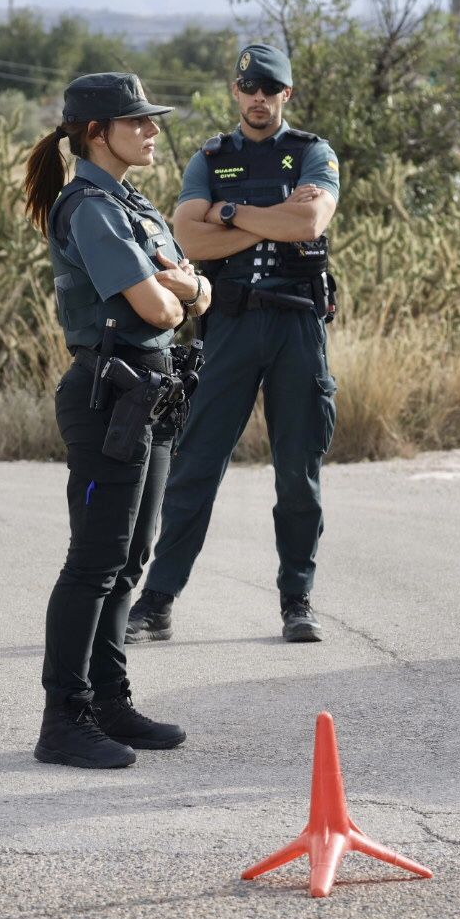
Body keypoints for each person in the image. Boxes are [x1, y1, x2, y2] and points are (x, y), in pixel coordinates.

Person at [124, 43, 341, 644]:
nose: (258, 99)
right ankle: (158, 601)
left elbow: (307, 224)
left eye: (270, 89)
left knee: (298, 471)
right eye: (249, 89)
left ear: (286, 95)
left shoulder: (312, 153)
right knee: (196, 466)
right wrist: (255, 214)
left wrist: (226, 214)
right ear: (236, 92)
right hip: (230, 324)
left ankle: (297, 598)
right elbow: (187, 239)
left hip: (298, 325)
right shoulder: (211, 157)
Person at [26, 72, 212, 770]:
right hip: (111, 394)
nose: (153, 131)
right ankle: (63, 717)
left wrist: (179, 285)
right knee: (95, 562)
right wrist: (178, 289)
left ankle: (109, 700)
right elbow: (163, 310)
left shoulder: (129, 203)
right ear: (96, 133)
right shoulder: (93, 209)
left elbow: (198, 289)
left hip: (151, 391)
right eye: (138, 122)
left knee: (130, 559)